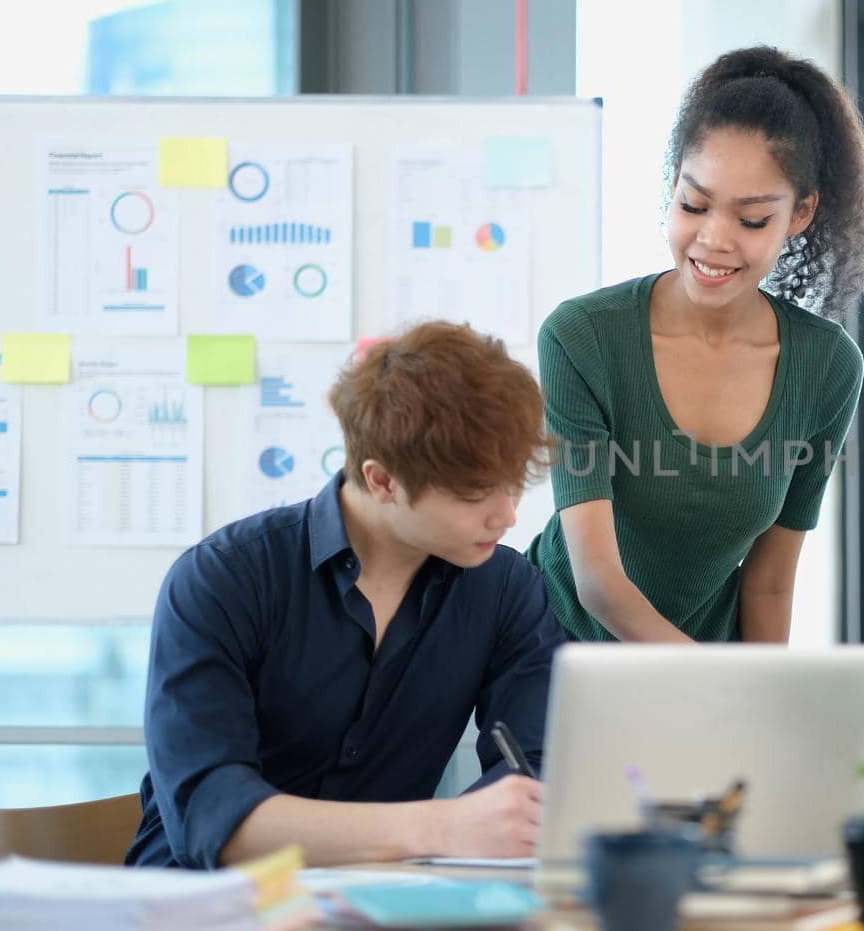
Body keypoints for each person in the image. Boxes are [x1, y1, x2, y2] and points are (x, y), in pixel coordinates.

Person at [126, 322, 567, 869]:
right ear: (381, 480)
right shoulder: (223, 580)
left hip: (389, 896)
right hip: (207, 903)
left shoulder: (505, 589)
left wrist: (492, 822)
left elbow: (535, 771)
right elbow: (213, 820)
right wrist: (442, 827)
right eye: (475, 494)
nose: (507, 515)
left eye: (512, 485)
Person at [528, 46, 864, 643]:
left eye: (751, 220)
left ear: (801, 214)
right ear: (673, 186)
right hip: (559, 652)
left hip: (705, 659)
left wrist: (754, 707)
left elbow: (769, 583)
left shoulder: (827, 366)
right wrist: (708, 683)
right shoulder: (583, 336)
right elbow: (597, 581)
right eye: (694, 204)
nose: (713, 239)